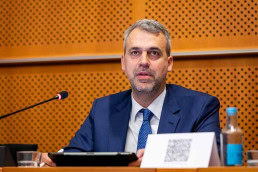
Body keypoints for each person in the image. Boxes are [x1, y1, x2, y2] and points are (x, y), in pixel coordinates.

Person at [42, 19, 221, 167]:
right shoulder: (103, 109)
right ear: (123, 63)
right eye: (135, 52)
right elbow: (74, 156)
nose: (144, 62)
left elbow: (211, 161)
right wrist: (50, 161)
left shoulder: (200, 107)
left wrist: (153, 160)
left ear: (169, 63)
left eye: (154, 53)